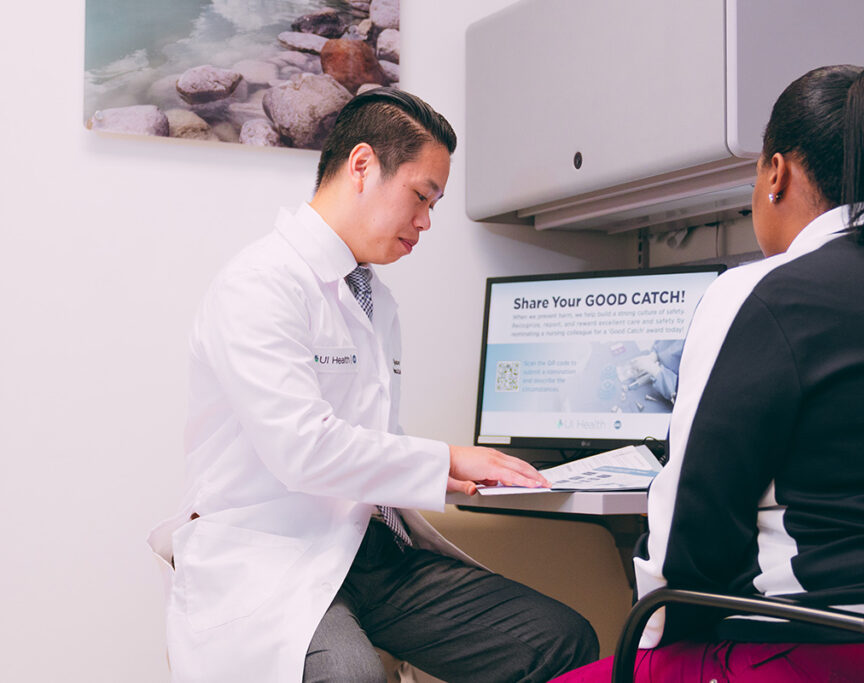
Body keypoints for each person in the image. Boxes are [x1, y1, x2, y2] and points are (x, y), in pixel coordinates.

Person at [553, 63, 864, 682]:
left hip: (806, 653)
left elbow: (691, 526)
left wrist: (653, 640)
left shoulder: (760, 294)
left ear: (777, 174)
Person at [147, 87, 598, 683]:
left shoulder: (372, 299)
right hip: (270, 555)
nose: (427, 222)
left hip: (371, 553)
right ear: (362, 165)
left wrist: (461, 475)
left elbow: (374, 441)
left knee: (558, 641)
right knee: (350, 675)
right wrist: (442, 461)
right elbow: (302, 449)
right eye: (421, 196)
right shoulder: (259, 285)